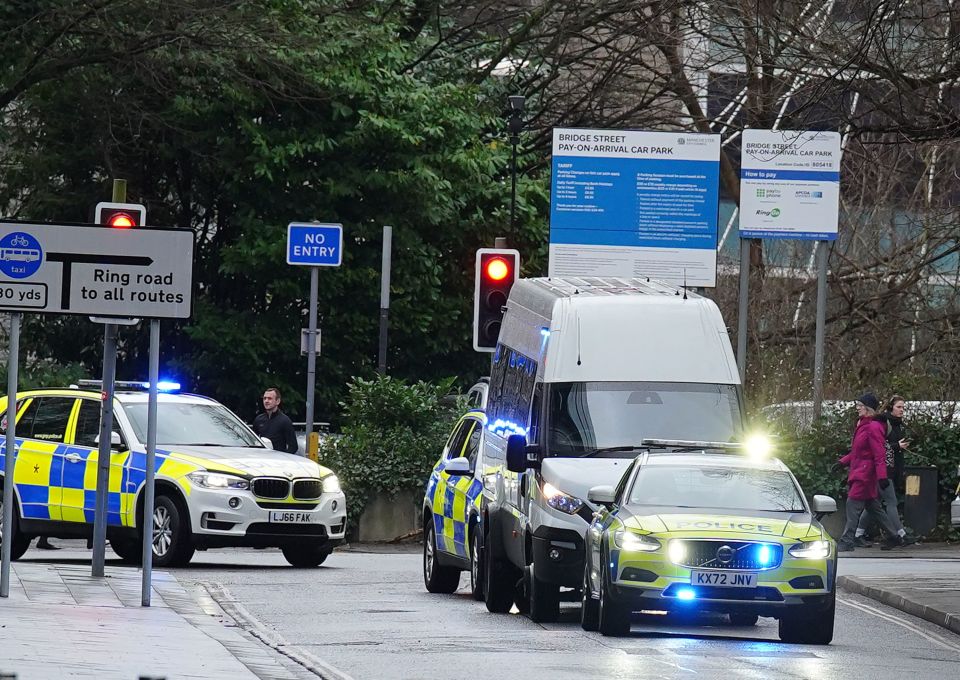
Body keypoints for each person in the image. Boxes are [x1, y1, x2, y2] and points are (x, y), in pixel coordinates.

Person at [836, 392, 903, 552]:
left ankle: (847, 539)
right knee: (874, 507)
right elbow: (858, 451)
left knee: (852, 504)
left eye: (860, 405)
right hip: (862, 471)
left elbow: (878, 454)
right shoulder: (864, 424)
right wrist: (842, 462)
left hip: (864, 474)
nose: (857, 408)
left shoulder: (872, 427)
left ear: (867, 408)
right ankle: (894, 536)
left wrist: (882, 477)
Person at [854, 395, 913, 548]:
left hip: (891, 469)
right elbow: (879, 447)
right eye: (899, 407)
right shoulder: (882, 423)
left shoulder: (897, 425)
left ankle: (858, 533)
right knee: (891, 502)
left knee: (874, 503)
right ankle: (900, 534)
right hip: (883, 470)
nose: (902, 410)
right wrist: (896, 447)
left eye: (903, 408)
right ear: (890, 408)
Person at [252, 387, 298, 454]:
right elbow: (253, 442)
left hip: (278, 461)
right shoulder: (258, 419)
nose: (266, 401)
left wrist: (282, 458)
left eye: (270, 398)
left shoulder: (285, 421)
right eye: (264, 398)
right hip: (262, 459)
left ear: (278, 401)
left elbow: (293, 447)